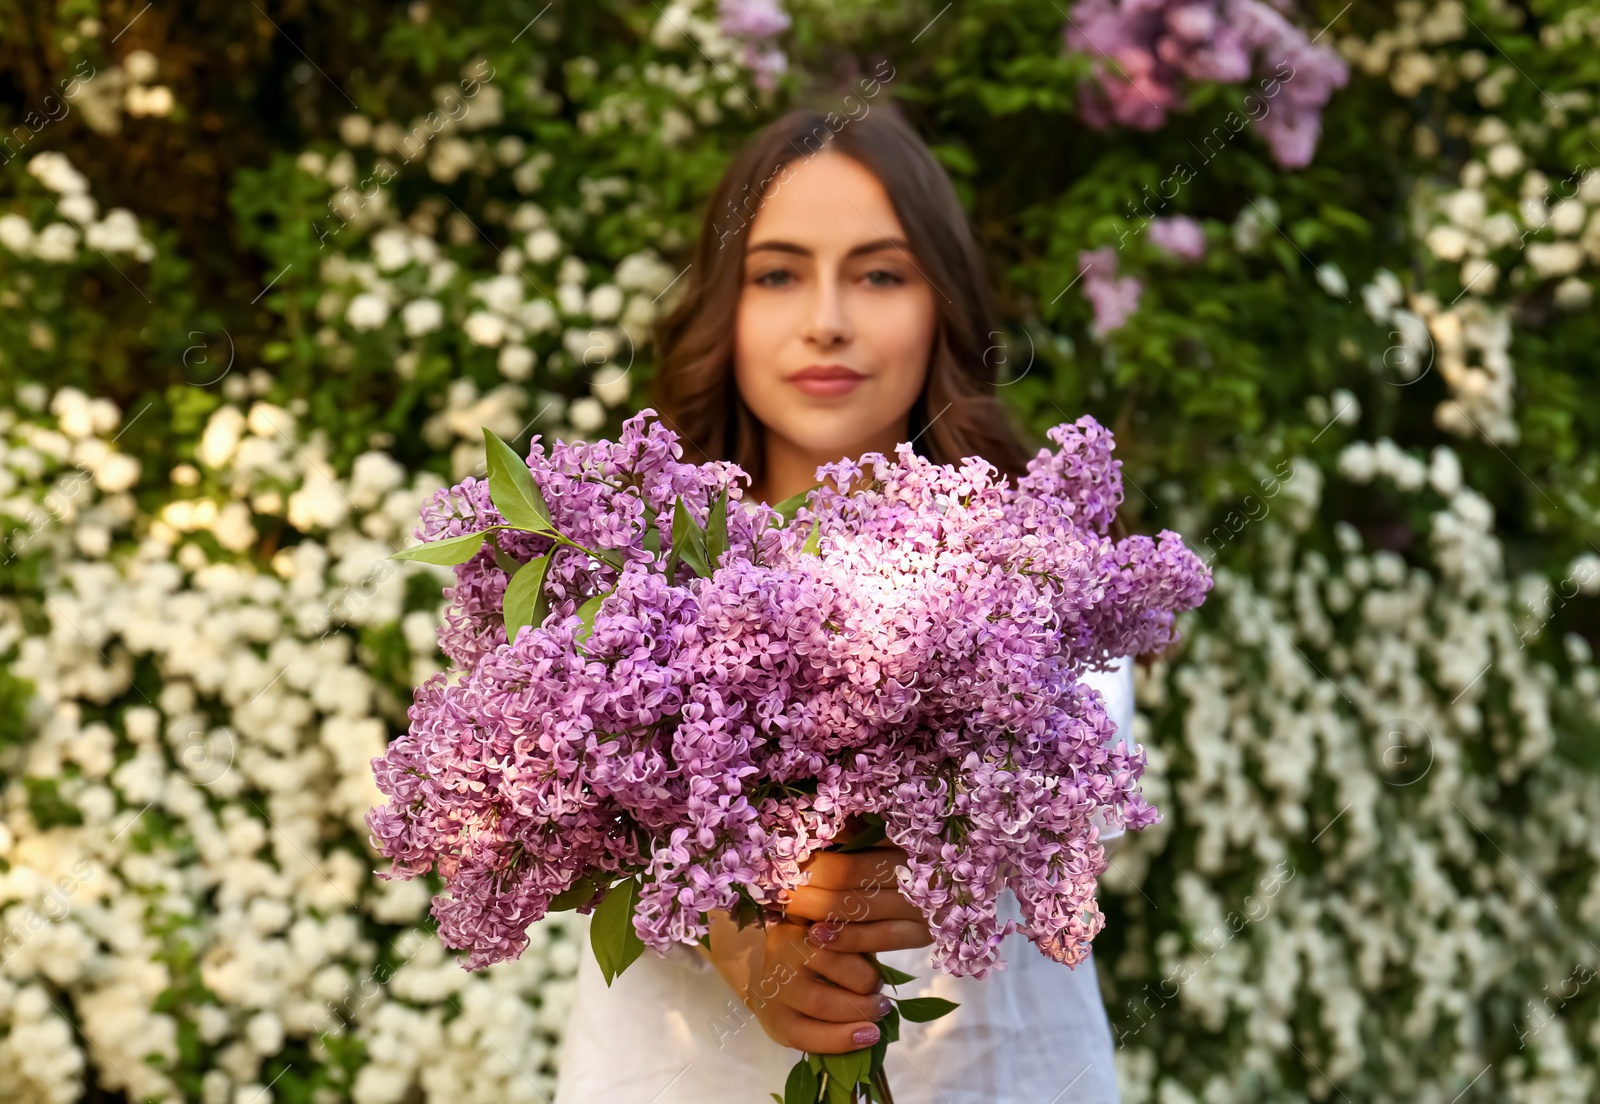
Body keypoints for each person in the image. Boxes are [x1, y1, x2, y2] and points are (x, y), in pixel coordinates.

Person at [553, 107, 1131, 1104]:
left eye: (878, 274)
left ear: (939, 305)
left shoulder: (1035, 566)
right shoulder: (619, 568)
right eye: (776, 273)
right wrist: (716, 909)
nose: (826, 318)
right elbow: (545, 793)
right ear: (724, 307)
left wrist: (933, 851)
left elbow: (1090, 755)